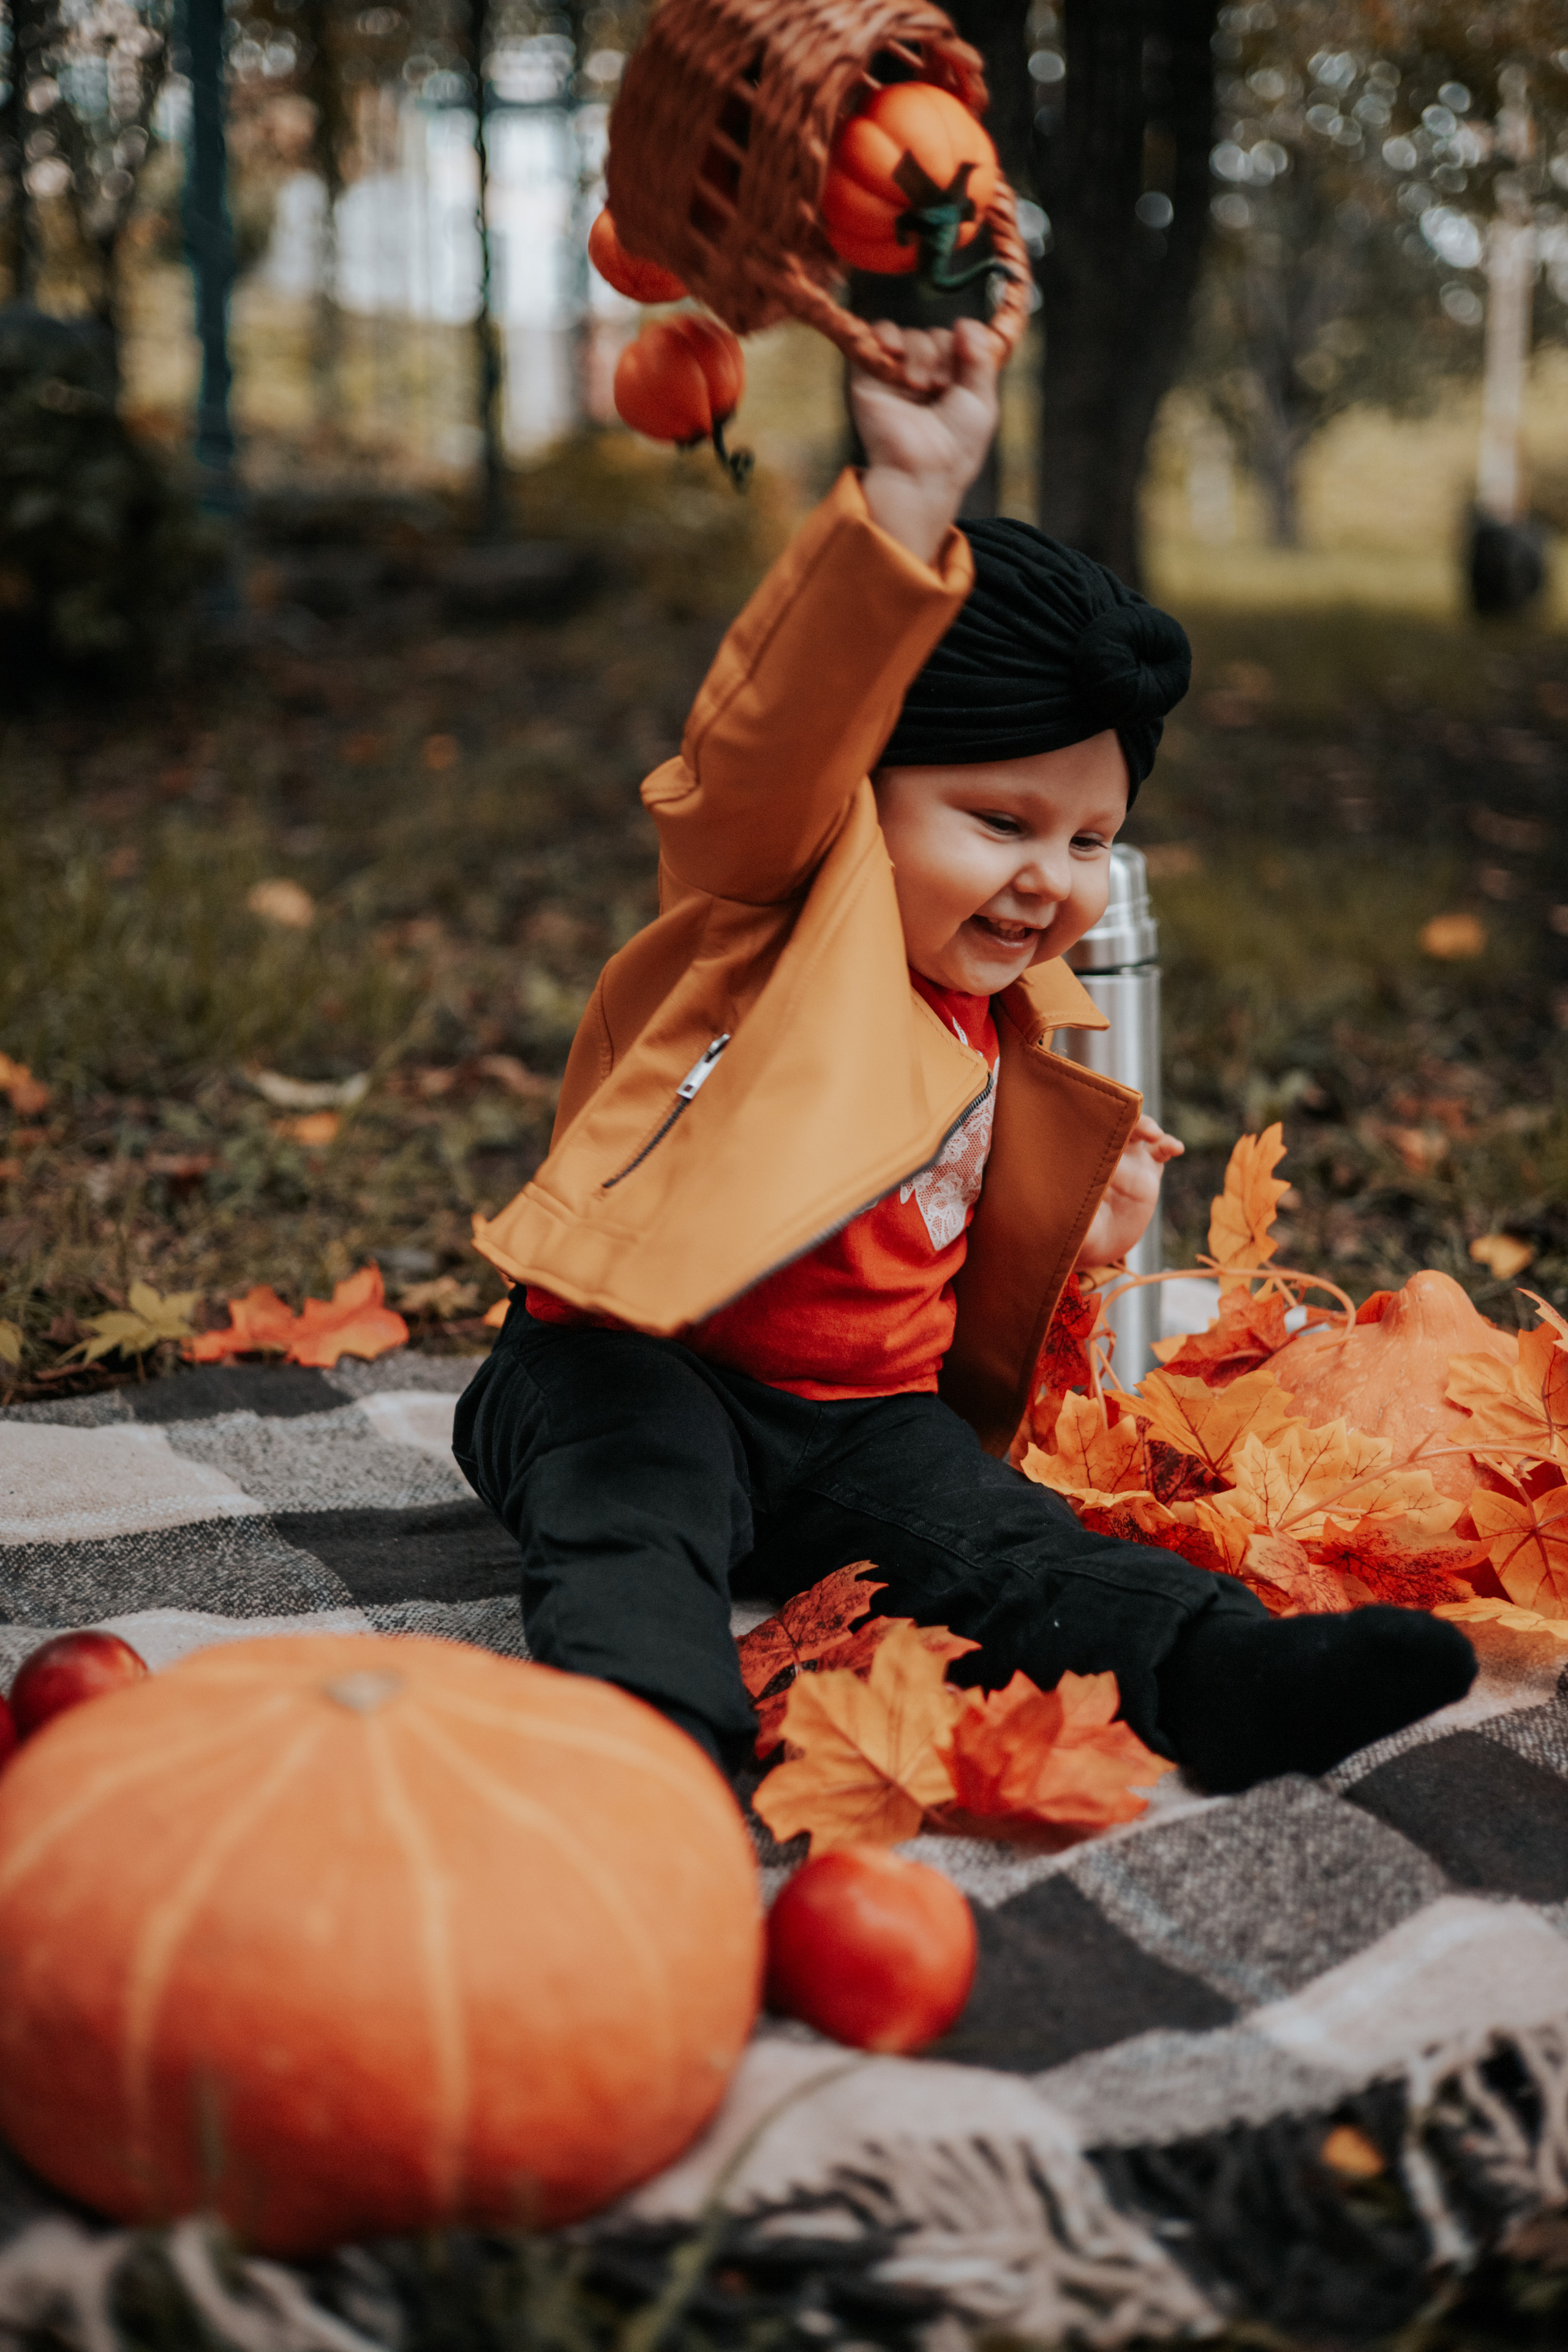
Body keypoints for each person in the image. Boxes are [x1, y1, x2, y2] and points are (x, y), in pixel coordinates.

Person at [454, 318, 1474, 1793]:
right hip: (622, 1361)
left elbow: (956, 1279)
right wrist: (904, 502)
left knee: (1005, 1550)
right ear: (853, 795)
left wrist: (1085, 1239)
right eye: (997, 821)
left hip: (858, 1420)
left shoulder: (1020, 1021)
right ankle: (654, 1751)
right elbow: (779, 728)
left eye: (1088, 839)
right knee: (636, 1506)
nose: (1048, 880)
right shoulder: (774, 904)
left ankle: (1221, 1671)